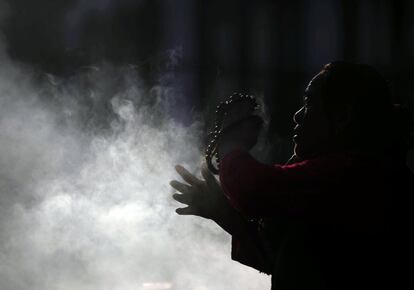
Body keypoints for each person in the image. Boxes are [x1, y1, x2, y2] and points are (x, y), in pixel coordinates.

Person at [170, 62, 414, 290]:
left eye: (309, 103)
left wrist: (232, 144)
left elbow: (256, 189)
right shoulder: (362, 167)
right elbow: (283, 257)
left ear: (343, 116)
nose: (298, 115)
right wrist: (223, 211)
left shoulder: (360, 172)